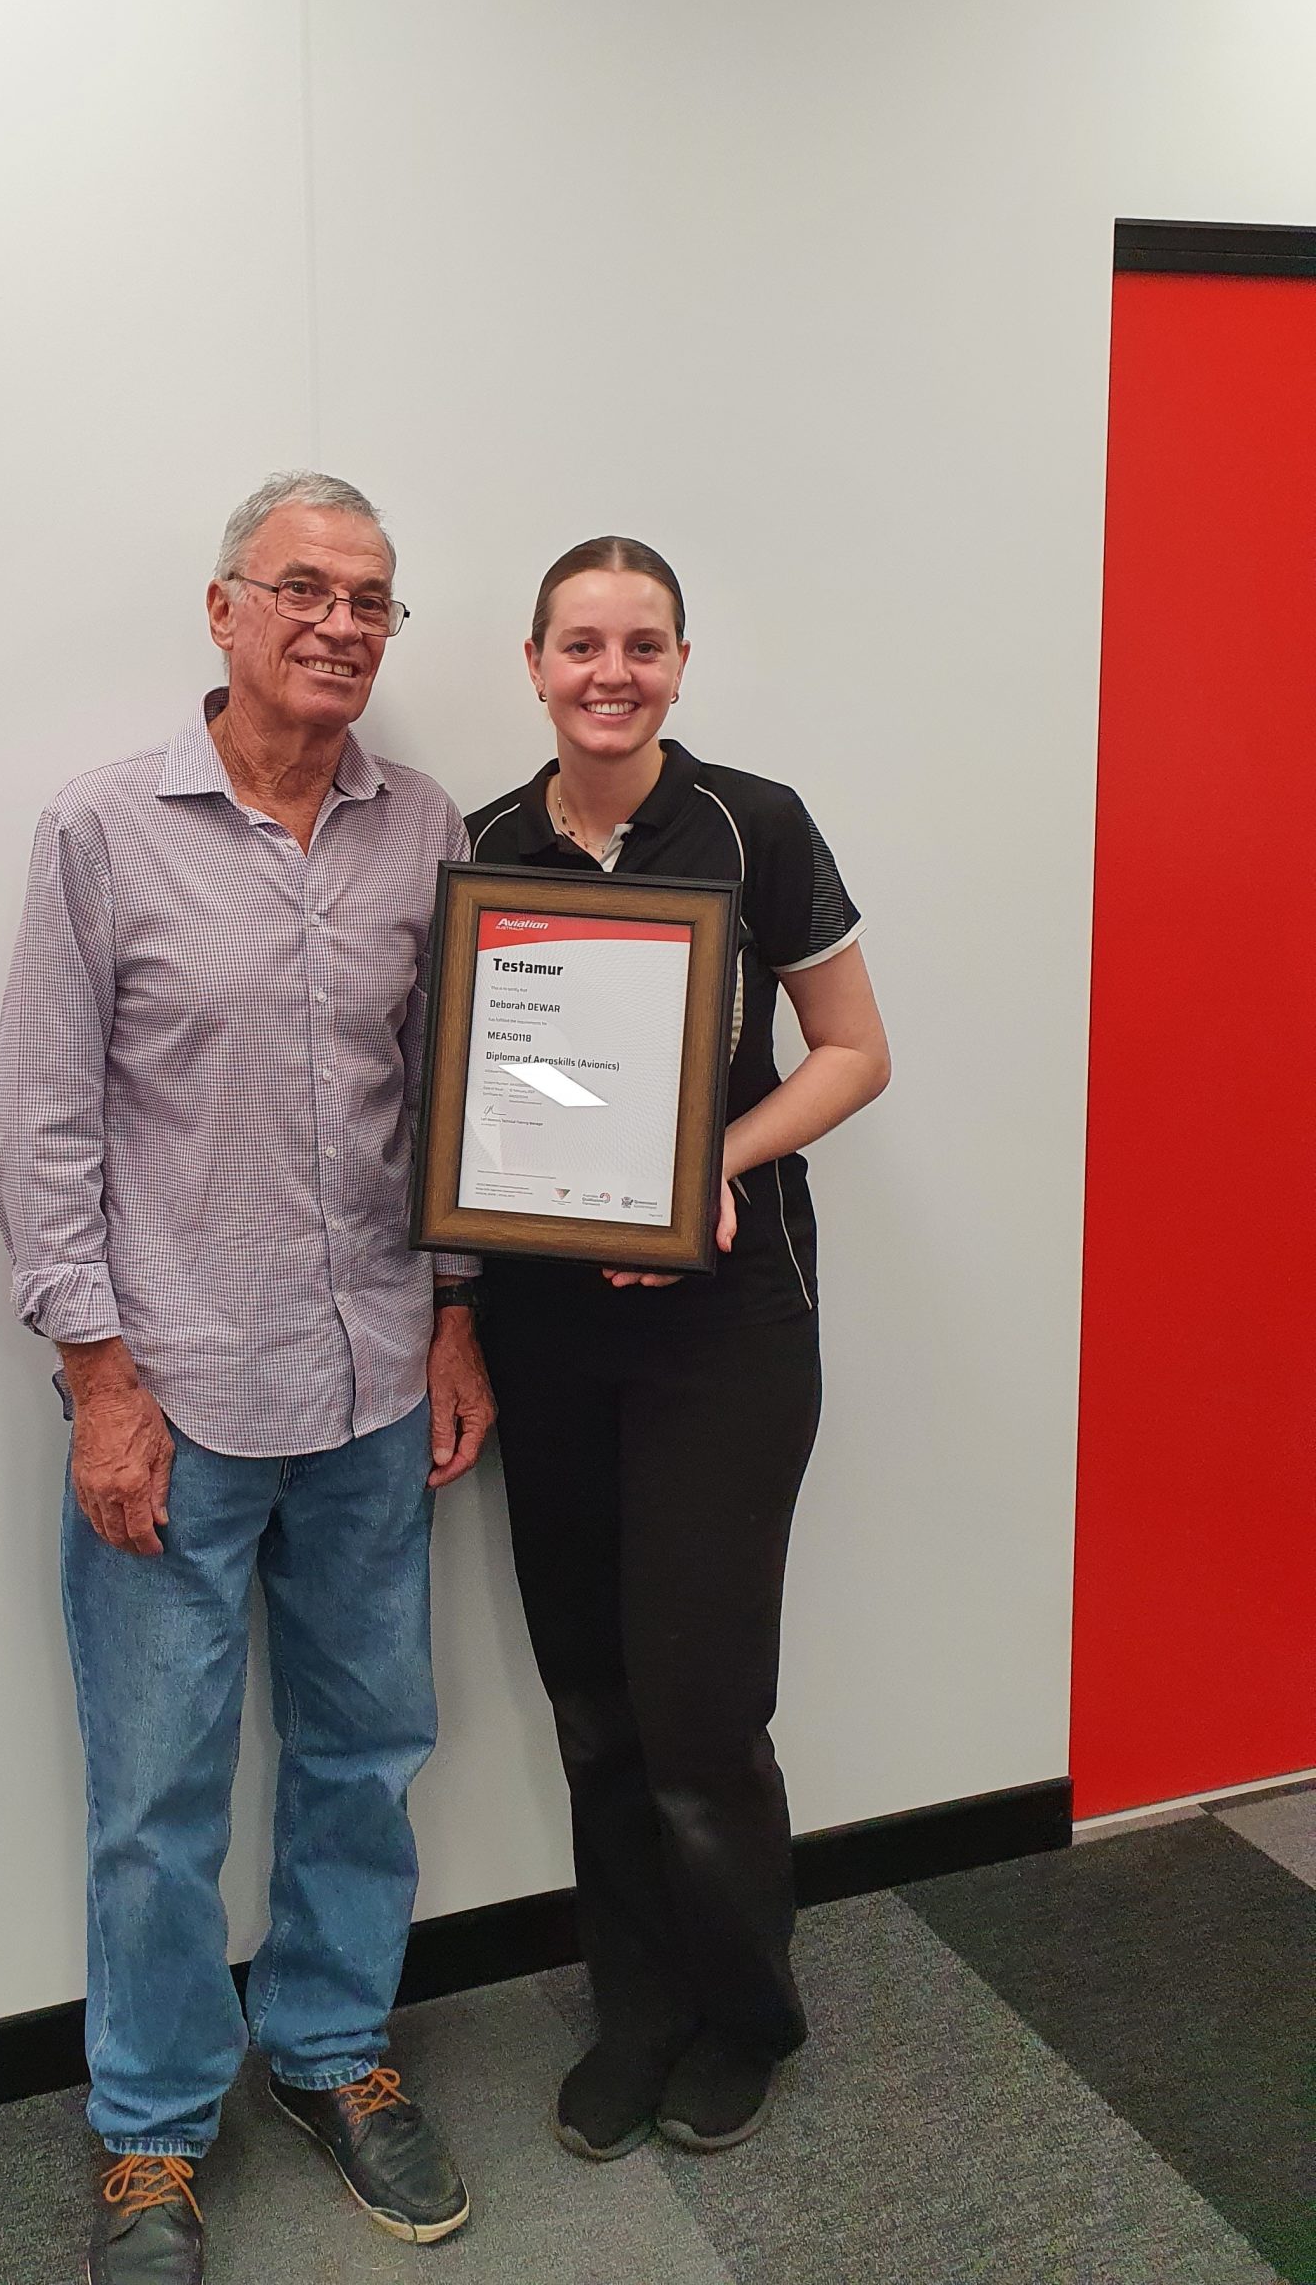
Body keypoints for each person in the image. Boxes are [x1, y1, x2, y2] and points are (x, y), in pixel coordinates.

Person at [0, 473, 494, 2285]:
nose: (342, 625)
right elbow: (44, 1127)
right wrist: (97, 1380)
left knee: (368, 1754)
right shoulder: (105, 831)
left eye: (374, 601)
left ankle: (334, 2051)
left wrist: (455, 1318)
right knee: (155, 1798)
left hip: (373, 1383)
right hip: (177, 1402)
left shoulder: (425, 826)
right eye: (306, 590)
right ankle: (149, 2137)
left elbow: (452, 1104)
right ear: (223, 611)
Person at [463, 535, 890, 2163]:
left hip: (730, 1332)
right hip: (551, 1334)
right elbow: (486, 1093)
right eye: (582, 644)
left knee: (702, 1709)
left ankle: (744, 2015)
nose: (611, 673)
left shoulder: (752, 826)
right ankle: (634, 2008)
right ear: (534, 662)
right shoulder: (489, 845)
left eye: (643, 644)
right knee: (593, 1702)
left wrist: (704, 1161)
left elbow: (855, 1053)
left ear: (682, 665)